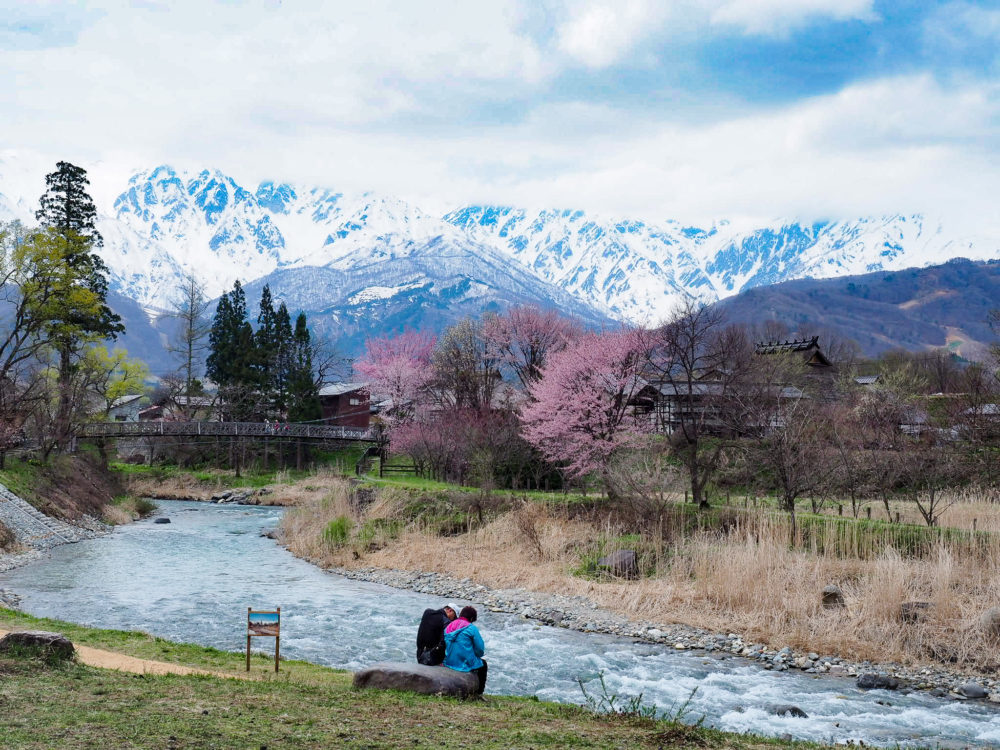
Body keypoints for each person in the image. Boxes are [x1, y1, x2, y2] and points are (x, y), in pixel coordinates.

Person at [443, 605, 487, 694]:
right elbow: (480, 650)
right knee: (483, 665)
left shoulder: (449, 626)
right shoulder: (471, 628)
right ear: (471, 618)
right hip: (463, 664)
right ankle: (479, 693)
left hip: (448, 661)